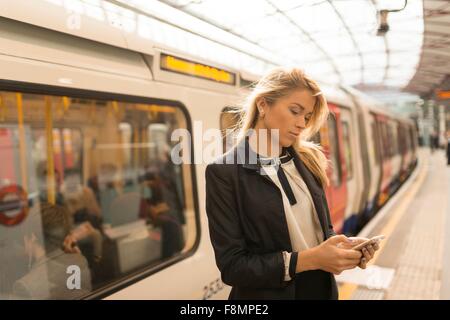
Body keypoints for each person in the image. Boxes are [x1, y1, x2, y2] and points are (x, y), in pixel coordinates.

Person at [205, 67, 380, 300]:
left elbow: (321, 231)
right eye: (295, 111)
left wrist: (344, 247)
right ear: (263, 105)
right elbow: (233, 267)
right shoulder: (224, 172)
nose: (301, 124)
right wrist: (310, 259)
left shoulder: (309, 161)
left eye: (307, 117)